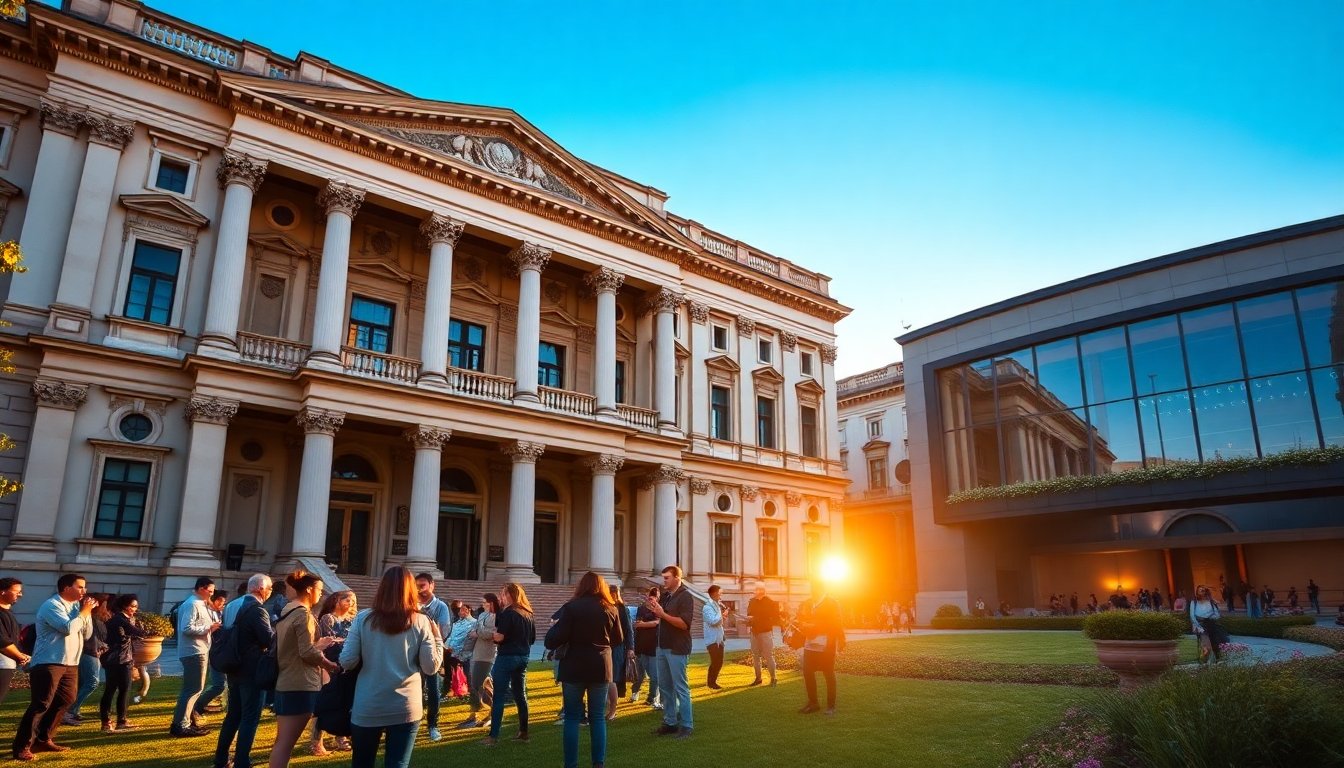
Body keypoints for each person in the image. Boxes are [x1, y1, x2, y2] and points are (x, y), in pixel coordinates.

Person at [340, 566, 443, 768]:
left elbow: (347, 660)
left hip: (369, 703)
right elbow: (431, 667)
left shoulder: (363, 618)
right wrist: (437, 639)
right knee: (397, 764)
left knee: (362, 763)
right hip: (405, 704)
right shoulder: (421, 621)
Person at [12, 572, 94, 761]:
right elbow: (68, 628)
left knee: (67, 699)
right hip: (48, 662)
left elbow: (87, 633)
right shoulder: (52, 605)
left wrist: (86, 613)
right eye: (80, 587)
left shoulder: (77, 606)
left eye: (85, 587)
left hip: (70, 662)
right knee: (41, 703)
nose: (84, 591)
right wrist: (84, 612)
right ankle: (22, 746)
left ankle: (43, 739)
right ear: (66, 588)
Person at [545, 572, 623, 768]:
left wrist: (555, 629)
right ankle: (598, 763)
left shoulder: (572, 607)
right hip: (600, 666)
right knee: (597, 717)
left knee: (572, 717)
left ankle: (571, 764)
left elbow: (555, 639)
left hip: (574, 665)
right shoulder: (610, 608)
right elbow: (618, 638)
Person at [267, 570, 339, 768]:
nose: (321, 595)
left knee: (282, 742)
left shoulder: (288, 610)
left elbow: (295, 648)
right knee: (285, 744)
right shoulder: (302, 614)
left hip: (287, 681)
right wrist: (329, 664)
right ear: (309, 589)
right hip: (300, 683)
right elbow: (307, 652)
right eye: (319, 590)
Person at [213, 574, 275, 768]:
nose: (270, 592)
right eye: (269, 588)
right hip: (252, 668)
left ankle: (221, 759)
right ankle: (242, 761)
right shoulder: (257, 610)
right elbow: (267, 639)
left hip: (233, 665)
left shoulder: (231, 605)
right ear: (260, 589)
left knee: (233, 715)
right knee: (250, 716)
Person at [484, 582, 536, 746]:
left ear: (510, 595)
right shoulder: (528, 613)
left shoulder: (509, 613)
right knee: (520, 695)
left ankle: (493, 736)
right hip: (523, 657)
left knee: (499, 696)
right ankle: (523, 732)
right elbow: (532, 639)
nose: (501, 597)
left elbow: (500, 637)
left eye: (503, 594)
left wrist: (493, 635)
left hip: (507, 656)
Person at [648, 564, 694, 739]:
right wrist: (656, 610)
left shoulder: (685, 596)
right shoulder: (666, 596)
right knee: (665, 688)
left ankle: (687, 725)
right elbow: (663, 619)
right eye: (663, 578)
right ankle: (670, 722)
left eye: (667, 578)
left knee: (681, 688)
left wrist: (663, 614)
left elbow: (684, 624)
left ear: (677, 578)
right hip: (662, 647)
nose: (664, 581)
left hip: (677, 648)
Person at [172, 577, 221, 738]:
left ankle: (186, 722)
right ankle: (181, 724)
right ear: (201, 588)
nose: (212, 594)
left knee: (194, 689)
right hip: (194, 651)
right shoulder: (192, 604)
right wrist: (209, 628)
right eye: (210, 591)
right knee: (192, 689)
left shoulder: (199, 603)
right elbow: (187, 628)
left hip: (198, 650)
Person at [310, 589, 357, 755]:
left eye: (352, 601)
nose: (350, 603)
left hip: (347, 665)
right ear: (337, 601)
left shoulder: (352, 620)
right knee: (325, 702)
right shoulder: (328, 618)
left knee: (344, 702)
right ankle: (316, 741)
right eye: (347, 600)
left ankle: (341, 736)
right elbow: (329, 640)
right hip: (330, 663)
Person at [99, 594, 150, 733]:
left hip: (121, 658)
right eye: (132, 606)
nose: (135, 609)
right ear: (124, 606)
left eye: (136, 606)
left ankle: (119, 721)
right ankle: (109, 722)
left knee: (122, 689)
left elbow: (132, 634)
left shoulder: (125, 619)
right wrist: (144, 632)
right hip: (117, 659)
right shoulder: (119, 619)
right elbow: (136, 632)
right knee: (114, 690)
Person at [413, 573, 452, 742]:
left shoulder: (440, 606)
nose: (419, 589)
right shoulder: (411, 604)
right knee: (414, 689)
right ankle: (413, 722)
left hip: (432, 653)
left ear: (432, 585)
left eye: (422, 585)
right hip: (412, 653)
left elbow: (443, 630)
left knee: (433, 690)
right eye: (417, 586)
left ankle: (433, 725)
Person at [798, 579, 845, 715]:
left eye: (815, 588)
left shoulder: (831, 603)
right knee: (807, 671)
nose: (812, 591)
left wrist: (815, 625)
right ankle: (813, 703)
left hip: (826, 643)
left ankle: (831, 706)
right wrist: (801, 623)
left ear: (821, 589)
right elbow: (801, 617)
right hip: (810, 641)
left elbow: (835, 622)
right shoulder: (808, 603)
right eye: (811, 589)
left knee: (828, 673)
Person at [66, 593, 110, 725]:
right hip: (89, 653)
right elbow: (89, 637)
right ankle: (70, 710)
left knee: (83, 682)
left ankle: (73, 710)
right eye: (104, 606)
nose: (105, 609)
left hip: (90, 652)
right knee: (92, 682)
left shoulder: (96, 619)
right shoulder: (89, 618)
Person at [456, 593, 497, 730]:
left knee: (477, 685)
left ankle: (477, 715)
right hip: (476, 652)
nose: (483, 604)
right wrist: (477, 631)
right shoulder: (482, 615)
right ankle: (488, 714)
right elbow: (476, 628)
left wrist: (478, 632)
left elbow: (492, 633)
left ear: (491, 603)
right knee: (482, 685)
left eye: (485, 602)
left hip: (487, 654)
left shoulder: (496, 616)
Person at [194, 591, 230, 724]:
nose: (222, 604)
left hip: (221, 652)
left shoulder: (221, 614)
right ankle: (196, 707)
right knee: (219, 684)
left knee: (221, 684)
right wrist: (212, 629)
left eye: (224, 602)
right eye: (220, 601)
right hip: (214, 652)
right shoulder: (208, 614)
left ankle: (198, 707)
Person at [0, 578, 31, 720]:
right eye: (16, 591)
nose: (20, 594)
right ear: (2, 592)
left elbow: (12, 639)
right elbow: (2, 641)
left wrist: (20, 654)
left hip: (7, 664)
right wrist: (20, 656)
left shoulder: (8, 613)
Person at [607, 588, 635, 721]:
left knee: (613, 677)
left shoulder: (622, 609)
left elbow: (629, 630)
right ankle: (607, 707)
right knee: (607, 678)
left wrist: (630, 648)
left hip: (618, 647)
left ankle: (612, 709)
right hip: (606, 646)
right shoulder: (605, 606)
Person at [631, 586, 660, 706]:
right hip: (641, 645)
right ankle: (635, 691)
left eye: (653, 597)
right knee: (640, 673)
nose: (650, 599)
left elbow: (657, 622)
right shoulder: (641, 608)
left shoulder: (659, 609)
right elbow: (637, 624)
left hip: (654, 646)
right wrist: (646, 624)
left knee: (654, 675)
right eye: (649, 597)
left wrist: (644, 624)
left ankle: (652, 697)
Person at [745, 583, 779, 687]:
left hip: (765, 632)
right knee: (755, 656)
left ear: (763, 590)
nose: (756, 591)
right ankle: (758, 678)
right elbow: (749, 614)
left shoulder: (771, 602)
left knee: (768, 655)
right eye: (756, 589)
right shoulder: (751, 601)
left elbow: (775, 618)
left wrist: (757, 618)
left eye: (759, 589)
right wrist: (748, 621)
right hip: (754, 632)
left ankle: (773, 678)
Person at [444, 599, 477, 706]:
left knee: (468, 673)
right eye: (460, 610)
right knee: (452, 672)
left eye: (463, 610)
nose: (460, 612)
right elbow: (452, 635)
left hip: (466, 653)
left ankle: (472, 693)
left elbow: (469, 638)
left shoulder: (474, 623)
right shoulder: (457, 623)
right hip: (453, 652)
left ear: (468, 610)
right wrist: (446, 646)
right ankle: (453, 690)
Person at [1189, 584, 1229, 663]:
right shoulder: (1194, 602)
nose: (1201, 591)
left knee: (1216, 644)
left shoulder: (1211, 602)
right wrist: (1198, 626)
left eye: (1203, 590)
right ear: (1197, 592)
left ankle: (1217, 661)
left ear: (1205, 592)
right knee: (1206, 647)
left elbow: (1217, 614)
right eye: (1199, 590)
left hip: (1211, 624)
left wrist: (1211, 617)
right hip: (1200, 624)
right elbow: (1192, 616)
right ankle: (1204, 662)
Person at [702, 585, 726, 690]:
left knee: (719, 662)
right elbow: (713, 621)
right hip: (712, 639)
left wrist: (723, 616)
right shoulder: (707, 607)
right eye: (720, 593)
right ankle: (711, 683)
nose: (721, 595)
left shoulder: (716, 605)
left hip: (719, 639)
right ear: (715, 593)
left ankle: (712, 682)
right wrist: (721, 613)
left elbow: (718, 621)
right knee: (715, 661)